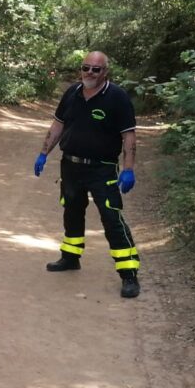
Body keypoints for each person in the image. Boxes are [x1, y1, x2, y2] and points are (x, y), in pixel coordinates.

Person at [33, 51, 141, 298]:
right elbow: (58, 125)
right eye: (86, 68)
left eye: (96, 69)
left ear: (105, 72)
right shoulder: (72, 92)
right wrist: (43, 153)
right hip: (70, 165)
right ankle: (70, 257)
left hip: (102, 168)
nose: (90, 73)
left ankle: (129, 274)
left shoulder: (117, 97)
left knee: (111, 219)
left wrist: (128, 169)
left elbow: (129, 136)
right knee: (71, 211)